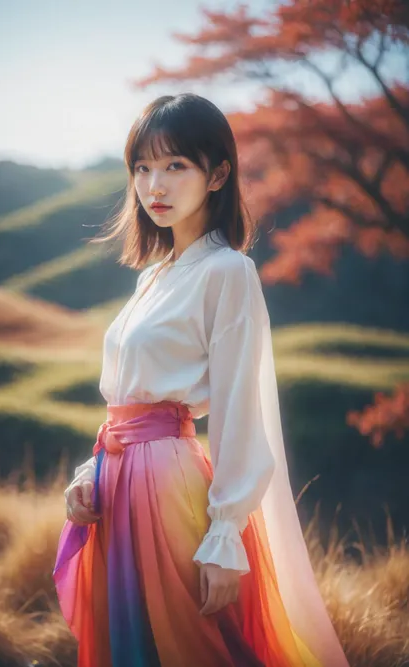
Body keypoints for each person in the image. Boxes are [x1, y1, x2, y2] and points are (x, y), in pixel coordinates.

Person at [53, 93, 350, 667]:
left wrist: (224, 538)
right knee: (135, 644)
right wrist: (91, 471)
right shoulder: (152, 277)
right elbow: (127, 400)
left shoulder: (228, 272)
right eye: (142, 167)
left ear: (217, 174)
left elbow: (242, 411)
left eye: (174, 166)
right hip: (117, 483)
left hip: (168, 487)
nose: (153, 186)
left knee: (192, 648)